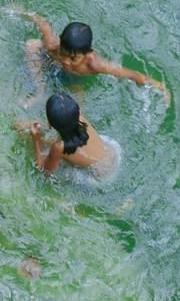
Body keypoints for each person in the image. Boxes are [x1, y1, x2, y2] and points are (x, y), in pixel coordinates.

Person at [20, 11, 169, 105]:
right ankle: (39, 91)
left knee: (77, 109)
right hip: (52, 67)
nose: (66, 60)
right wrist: (17, 11)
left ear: (87, 54)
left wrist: (160, 87)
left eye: (73, 59)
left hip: (75, 80)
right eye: (63, 54)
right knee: (31, 45)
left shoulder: (95, 64)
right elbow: (42, 22)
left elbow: (131, 74)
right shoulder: (53, 45)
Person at [18, 93, 120, 179]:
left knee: (59, 164)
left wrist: (36, 139)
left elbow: (44, 170)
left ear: (50, 121)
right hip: (113, 150)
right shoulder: (79, 117)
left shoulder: (59, 147)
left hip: (100, 175)